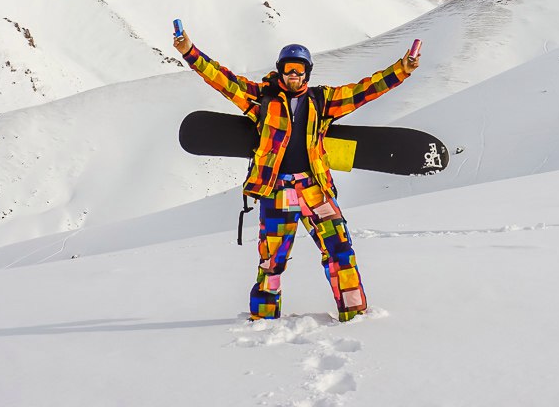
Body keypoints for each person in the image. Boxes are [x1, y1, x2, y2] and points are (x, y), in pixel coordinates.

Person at [173, 29, 420, 322]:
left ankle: (354, 313)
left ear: (307, 73)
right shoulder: (261, 99)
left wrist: (401, 70)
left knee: (340, 248)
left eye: (299, 70)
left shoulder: (322, 101)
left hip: (315, 187)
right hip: (277, 191)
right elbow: (223, 80)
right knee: (271, 260)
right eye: (289, 69)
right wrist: (189, 51)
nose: (294, 75)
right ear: (280, 71)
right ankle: (264, 318)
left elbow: (363, 91)